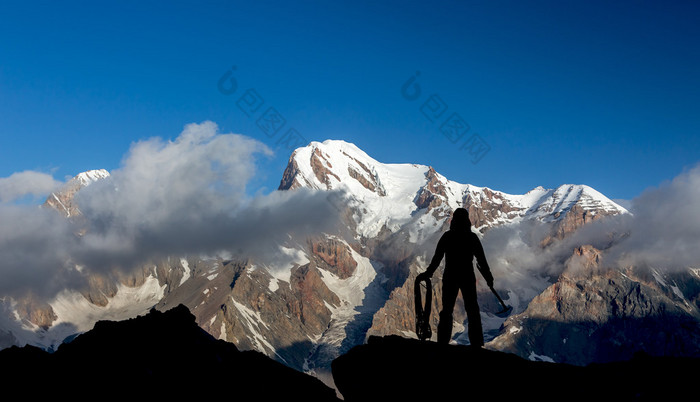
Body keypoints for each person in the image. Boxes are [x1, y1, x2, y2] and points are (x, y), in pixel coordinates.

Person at [416, 207, 494, 346]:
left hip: (450, 276)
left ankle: (442, 342)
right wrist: (488, 278)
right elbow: (481, 260)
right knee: (472, 310)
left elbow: (437, 258)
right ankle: (477, 344)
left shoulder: (447, 236)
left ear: (453, 221)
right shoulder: (472, 237)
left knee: (446, 310)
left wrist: (428, 273)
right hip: (467, 276)